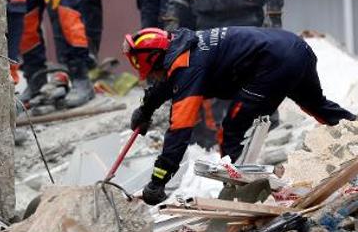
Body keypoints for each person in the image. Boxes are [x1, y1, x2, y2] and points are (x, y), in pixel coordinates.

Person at [123, 26, 356, 205]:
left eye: (152, 70)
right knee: (318, 106)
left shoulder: (189, 68)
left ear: (155, 58)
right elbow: (166, 82)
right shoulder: (183, 45)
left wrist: (157, 181)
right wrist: (145, 110)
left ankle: (238, 190)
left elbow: (180, 129)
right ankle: (355, 133)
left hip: (274, 63)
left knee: (231, 130)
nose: (154, 76)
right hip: (296, 48)